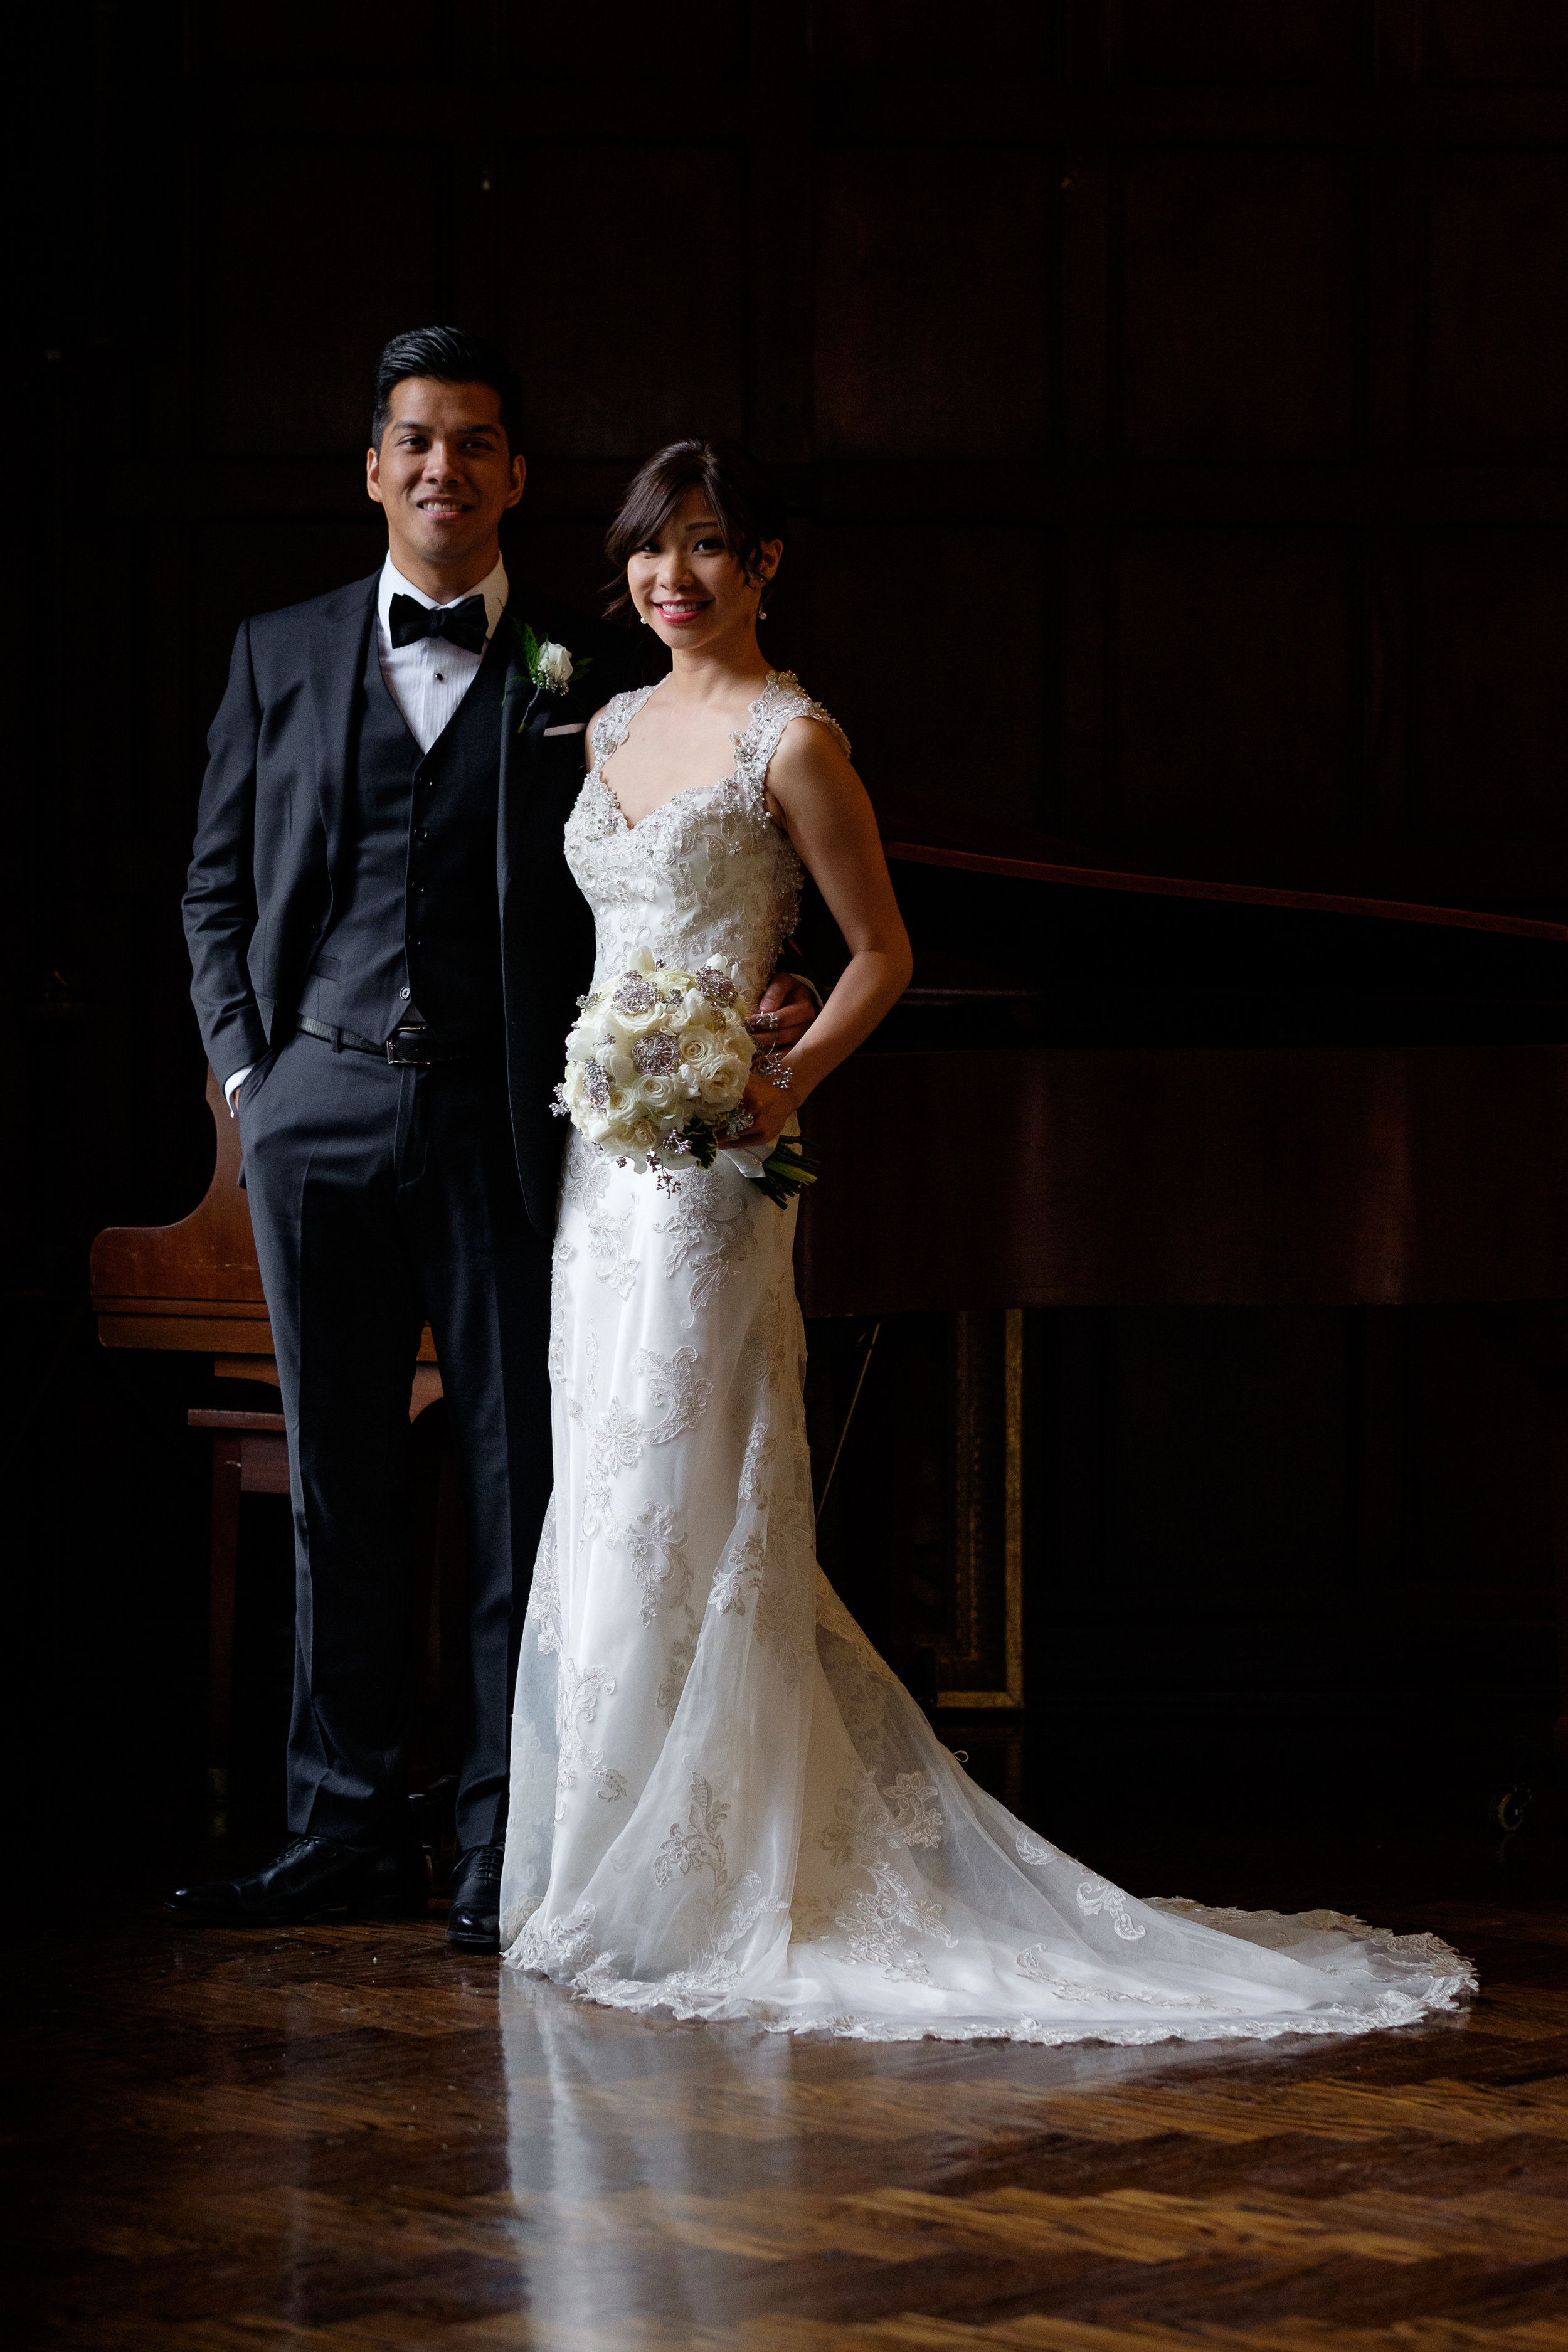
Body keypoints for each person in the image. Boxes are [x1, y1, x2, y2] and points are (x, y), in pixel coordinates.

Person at [501, 437, 1476, 2043]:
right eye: (649, 548)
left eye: (707, 546)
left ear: (765, 565)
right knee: (600, 1478)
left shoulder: (789, 738)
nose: (671, 575)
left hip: (712, 1179)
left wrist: (778, 1078)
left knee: (693, 1483)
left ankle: (704, 1867)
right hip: (599, 1172)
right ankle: (598, 1852)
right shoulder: (602, 725)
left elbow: (880, 949)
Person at [167, 331, 817, 1948]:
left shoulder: (584, 692)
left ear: (517, 476)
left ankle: (493, 1836)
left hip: (504, 1130)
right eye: (414, 440)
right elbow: (215, 888)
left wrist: (756, 989)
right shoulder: (276, 651)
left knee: (513, 1476)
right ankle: (337, 1825)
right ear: (375, 468)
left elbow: (657, 878)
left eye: (475, 443)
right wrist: (251, 1084)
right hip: (312, 1113)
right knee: (339, 1485)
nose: (443, 467)